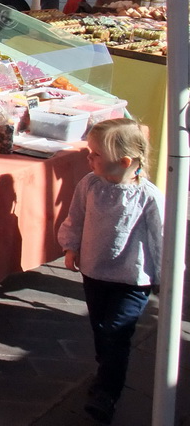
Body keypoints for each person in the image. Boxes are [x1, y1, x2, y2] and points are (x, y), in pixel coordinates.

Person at [57, 118, 163, 424]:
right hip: (94, 271)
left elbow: (161, 238)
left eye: (95, 155)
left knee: (116, 331)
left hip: (131, 279)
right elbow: (75, 217)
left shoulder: (148, 197)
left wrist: (164, 276)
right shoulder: (89, 185)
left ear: (125, 161)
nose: (88, 159)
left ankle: (107, 391)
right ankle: (107, 368)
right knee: (101, 329)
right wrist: (70, 246)